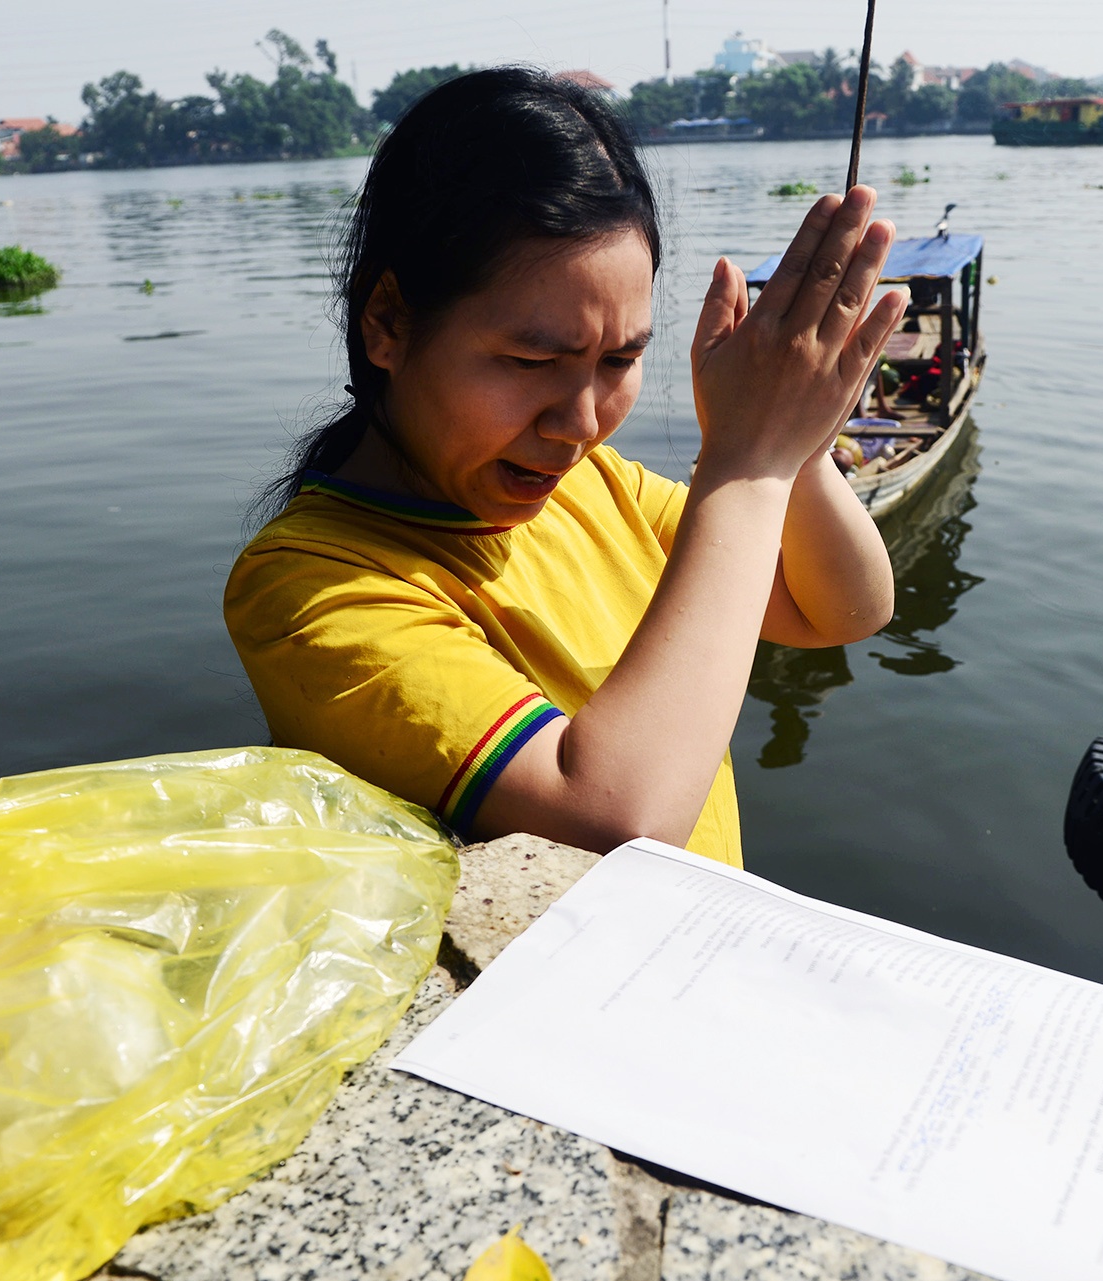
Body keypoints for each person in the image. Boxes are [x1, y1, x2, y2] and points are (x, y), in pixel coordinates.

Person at [226, 68, 903, 867]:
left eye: (620, 358)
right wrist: (749, 466)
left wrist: (798, 439)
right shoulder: (308, 586)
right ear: (388, 324)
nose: (579, 424)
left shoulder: (595, 486)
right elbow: (615, 822)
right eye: (530, 358)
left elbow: (840, 611)